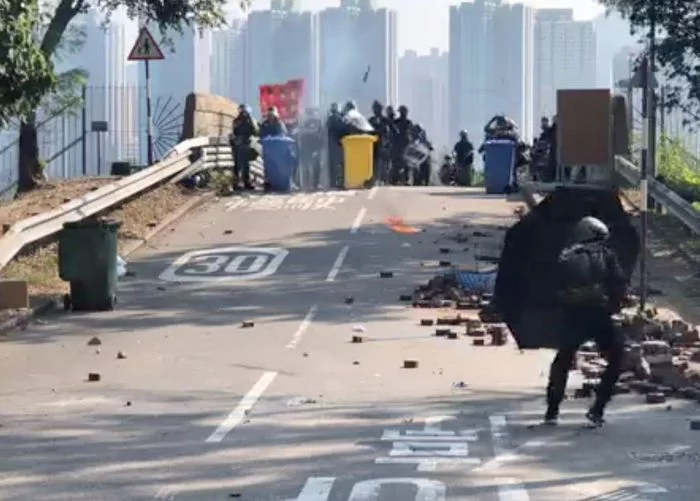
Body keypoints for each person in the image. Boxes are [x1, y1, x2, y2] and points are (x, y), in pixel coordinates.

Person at [544, 216, 628, 427]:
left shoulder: (564, 256)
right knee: (617, 358)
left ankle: (552, 410)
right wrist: (614, 306)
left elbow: (551, 288)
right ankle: (598, 408)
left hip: (573, 316)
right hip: (599, 316)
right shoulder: (607, 255)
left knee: (563, 360)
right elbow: (618, 284)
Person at [231, 104, 260, 190]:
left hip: (246, 144)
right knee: (238, 165)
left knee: (245, 165)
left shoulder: (250, 120)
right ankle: (238, 183)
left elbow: (255, 131)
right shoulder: (237, 121)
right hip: (239, 144)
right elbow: (235, 131)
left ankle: (245, 182)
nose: (243, 114)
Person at [369, 100, 395, 184]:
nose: (376, 110)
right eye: (375, 109)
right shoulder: (371, 120)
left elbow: (395, 131)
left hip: (384, 145)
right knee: (374, 163)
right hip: (373, 145)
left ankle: (385, 180)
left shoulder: (386, 120)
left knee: (385, 163)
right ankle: (376, 179)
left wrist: (388, 137)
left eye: (378, 108)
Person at [299, 108, 324, 189]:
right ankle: (307, 184)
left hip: (316, 147)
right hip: (307, 147)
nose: (312, 115)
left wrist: (319, 147)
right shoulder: (304, 122)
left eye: (313, 113)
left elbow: (321, 136)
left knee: (317, 166)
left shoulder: (319, 122)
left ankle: (316, 184)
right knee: (306, 166)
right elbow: (302, 135)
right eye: (310, 113)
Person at [391, 105, 413, 184]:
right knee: (396, 163)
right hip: (397, 145)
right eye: (402, 112)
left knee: (406, 164)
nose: (403, 114)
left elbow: (412, 133)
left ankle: (406, 180)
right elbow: (392, 131)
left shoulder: (409, 122)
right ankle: (395, 180)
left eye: (404, 112)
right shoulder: (396, 122)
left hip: (405, 146)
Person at [326, 103, 346, 188]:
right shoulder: (337, 118)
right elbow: (342, 129)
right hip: (337, 143)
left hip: (333, 143)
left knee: (334, 164)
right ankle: (338, 183)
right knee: (339, 164)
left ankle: (334, 183)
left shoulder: (330, 119)